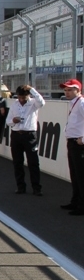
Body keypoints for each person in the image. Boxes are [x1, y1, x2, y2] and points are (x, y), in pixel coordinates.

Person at [5, 84, 45, 196]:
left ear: (28, 95)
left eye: (24, 97)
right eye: (19, 97)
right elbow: (8, 121)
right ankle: (20, 186)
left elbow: (42, 102)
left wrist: (31, 89)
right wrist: (13, 121)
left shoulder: (33, 103)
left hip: (29, 135)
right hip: (16, 135)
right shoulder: (14, 105)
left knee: (33, 162)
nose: (21, 99)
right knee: (17, 162)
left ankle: (36, 187)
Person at [59, 79, 84, 216]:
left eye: (70, 90)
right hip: (73, 143)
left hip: (79, 144)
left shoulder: (81, 103)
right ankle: (76, 201)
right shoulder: (74, 103)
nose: (67, 92)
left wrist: (83, 139)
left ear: (78, 90)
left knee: (81, 176)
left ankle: (82, 205)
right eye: (65, 90)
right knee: (75, 175)